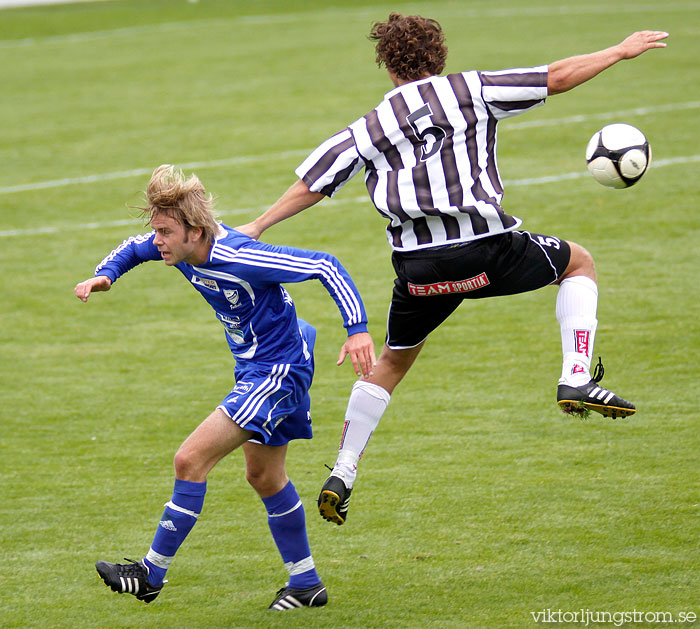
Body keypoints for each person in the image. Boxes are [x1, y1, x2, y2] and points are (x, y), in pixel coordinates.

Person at [235, 14, 668, 526]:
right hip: (490, 251)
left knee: (391, 366)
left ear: (388, 66)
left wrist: (259, 224)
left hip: (421, 271)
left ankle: (344, 472)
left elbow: (316, 181)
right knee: (578, 263)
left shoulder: (369, 126)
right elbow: (554, 76)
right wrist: (618, 50)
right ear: (440, 56)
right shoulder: (471, 90)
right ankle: (575, 378)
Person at [74, 165, 375, 609]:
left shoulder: (240, 257)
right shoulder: (176, 249)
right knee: (265, 476)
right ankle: (306, 584)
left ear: (195, 232)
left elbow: (323, 265)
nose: (156, 240)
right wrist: (106, 274)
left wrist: (358, 330)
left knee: (189, 459)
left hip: (277, 372)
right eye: (156, 230)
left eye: (164, 231)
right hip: (264, 367)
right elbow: (132, 249)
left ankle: (150, 574)